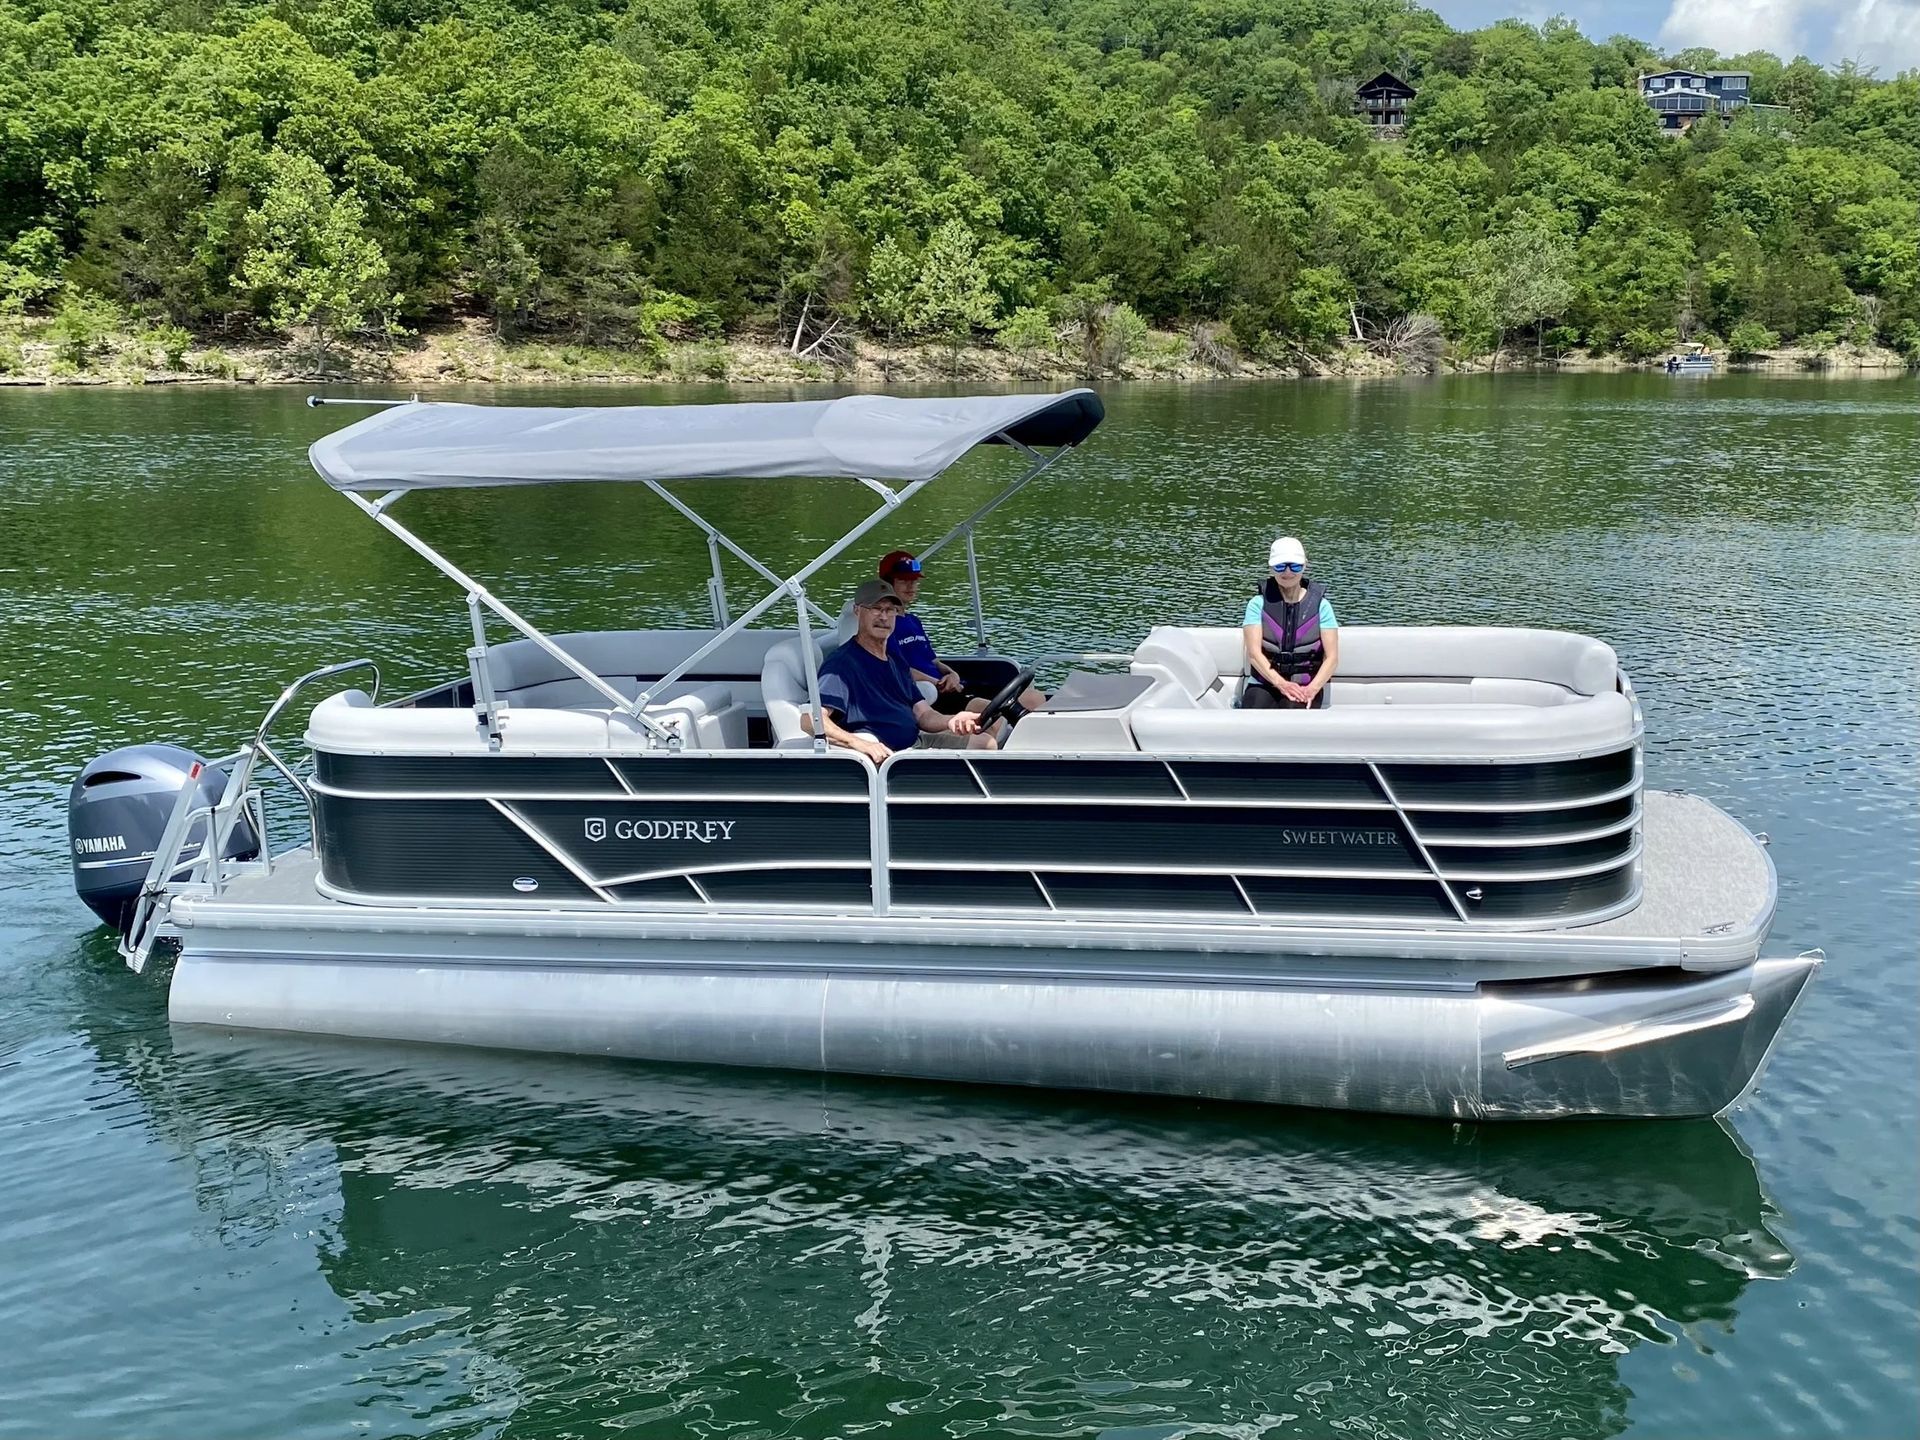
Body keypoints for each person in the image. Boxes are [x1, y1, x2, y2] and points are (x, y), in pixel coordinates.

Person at [801, 579, 996, 761]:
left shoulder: (896, 661)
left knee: (986, 743)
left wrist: (953, 720)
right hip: (891, 759)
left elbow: (923, 715)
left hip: (914, 742)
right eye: (876, 609)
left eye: (890, 610)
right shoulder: (842, 664)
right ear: (857, 611)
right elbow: (810, 719)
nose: (883, 617)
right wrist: (857, 743)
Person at [877, 549, 1046, 714]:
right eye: (903, 581)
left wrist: (952, 674)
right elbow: (897, 669)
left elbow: (934, 661)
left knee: (1034, 698)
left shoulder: (913, 621)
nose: (911, 586)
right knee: (998, 707)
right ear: (887, 584)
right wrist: (938, 683)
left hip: (951, 686)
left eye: (914, 580)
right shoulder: (884, 626)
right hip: (933, 696)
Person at [1241, 536, 1339, 710]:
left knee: (1293, 711)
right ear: (1271, 567)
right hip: (1264, 682)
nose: (1287, 572)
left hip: (1305, 685)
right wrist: (1281, 684)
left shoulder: (1322, 606)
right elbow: (1254, 654)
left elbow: (1331, 658)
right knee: (1253, 711)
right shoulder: (1257, 604)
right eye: (1280, 566)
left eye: (1295, 566)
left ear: (1304, 566)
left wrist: (1312, 689)